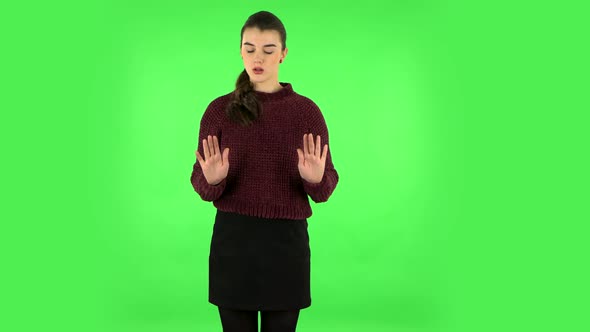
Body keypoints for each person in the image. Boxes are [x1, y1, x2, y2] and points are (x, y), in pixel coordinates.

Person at [190, 10, 339, 332]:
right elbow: (200, 182)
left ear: (283, 54)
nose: (258, 58)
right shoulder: (219, 110)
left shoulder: (306, 112)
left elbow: (326, 186)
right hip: (234, 242)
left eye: (269, 50)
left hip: (286, 245)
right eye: (250, 48)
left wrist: (314, 179)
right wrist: (213, 181)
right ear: (241, 50)